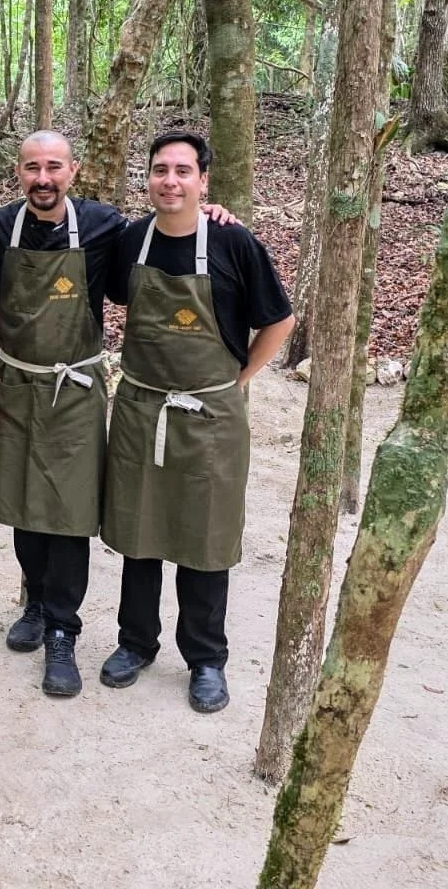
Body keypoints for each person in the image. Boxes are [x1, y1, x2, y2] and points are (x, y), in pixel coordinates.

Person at [0, 131, 236, 698]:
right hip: (18, 383)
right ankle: (36, 603)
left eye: (54, 167)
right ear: (18, 172)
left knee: (69, 511)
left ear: (74, 171)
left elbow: (171, 228)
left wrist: (212, 213)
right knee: (23, 504)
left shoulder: (105, 227)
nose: (43, 178)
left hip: (77, 386)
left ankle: (63, 630)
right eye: (32, 168)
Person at [99, 131, 294, 713]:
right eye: (160, 170)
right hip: (142, 409)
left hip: (211, 413)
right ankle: (135, 643)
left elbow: (279, 320)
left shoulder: (234, 242)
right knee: (139, 532)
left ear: (203, 181)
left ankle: (206, 659)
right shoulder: (132, 240)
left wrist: (241, 379)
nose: (171, 181)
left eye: (183, 171)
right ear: (148, 178)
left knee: (206, 537)